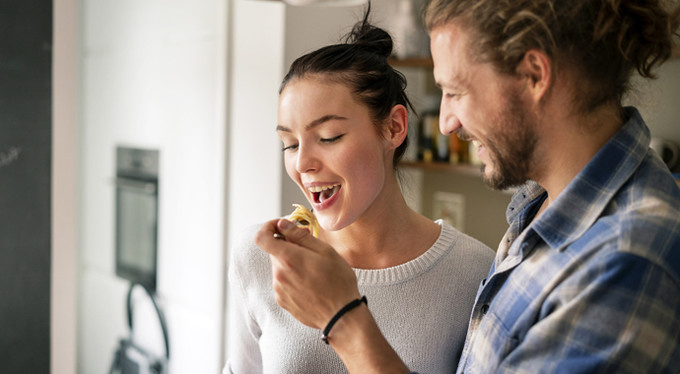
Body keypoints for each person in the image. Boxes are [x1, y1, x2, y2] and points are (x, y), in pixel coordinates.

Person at [256, 0, 680, 372]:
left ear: (534, 75)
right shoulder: (539, 211)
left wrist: (343, 319)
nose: (446, 122)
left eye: (455, 91)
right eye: (289, 143)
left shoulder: (625, 257)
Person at [224, 7, 494, 374]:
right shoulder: (260, 259)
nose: (302, 163)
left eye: (328, 137)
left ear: (393, 128)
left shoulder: (473, 272)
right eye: (289, 144)